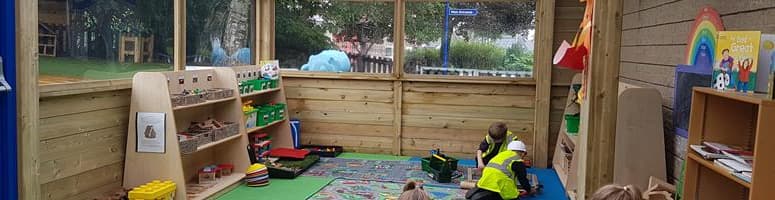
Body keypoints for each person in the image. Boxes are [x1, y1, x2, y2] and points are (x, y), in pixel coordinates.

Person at [467, 141, 532, 200]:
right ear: (523, 153)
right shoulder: (518, 161)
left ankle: (481, 191)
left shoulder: (502, 155)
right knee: (512, 196)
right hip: (499, 182)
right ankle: (491, 196)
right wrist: (528, 190)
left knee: (491, 186)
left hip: (485, 179)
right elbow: (522, 178)